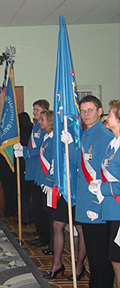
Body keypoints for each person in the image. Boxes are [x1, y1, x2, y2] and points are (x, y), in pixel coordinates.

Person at [64, 95, 114, 287]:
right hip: (86, 201)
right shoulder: (86, 133)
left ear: (100, 112)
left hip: (97, 205)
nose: (85, 114)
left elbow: (104, 173)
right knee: (93, 254)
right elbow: (80, 161)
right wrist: (69, 145)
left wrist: (96, 204)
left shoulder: (104, 136)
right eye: (83, 111)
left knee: (101, 255)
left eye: (90, 110)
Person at [32, 110, 86, 280]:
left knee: (80, 228)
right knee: (57, 225)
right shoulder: (51, 138)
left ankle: (79, 266)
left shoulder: (73, 135)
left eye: (42, 119)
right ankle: (57, 264)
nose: (39, 122)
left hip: (75, 186)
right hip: (61, 186)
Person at [15, 99, 51, 248]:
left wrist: (24, 151)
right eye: (34, 109)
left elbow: (42, 150)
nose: (34, 112)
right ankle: (41, 233)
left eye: (37, 109)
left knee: (41, 207)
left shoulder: (45, 128)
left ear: (44, 110)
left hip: (40, 169)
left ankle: (45, 237)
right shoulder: (36, 126)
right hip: (33, 169)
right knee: (36, 206)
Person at [91, 100, 120, 284]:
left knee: (117, 258)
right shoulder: (113, 144)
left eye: (110, 114)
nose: (106, 117)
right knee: (115, 259)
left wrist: (101, 188)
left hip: (118, 208)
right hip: (111, 209)